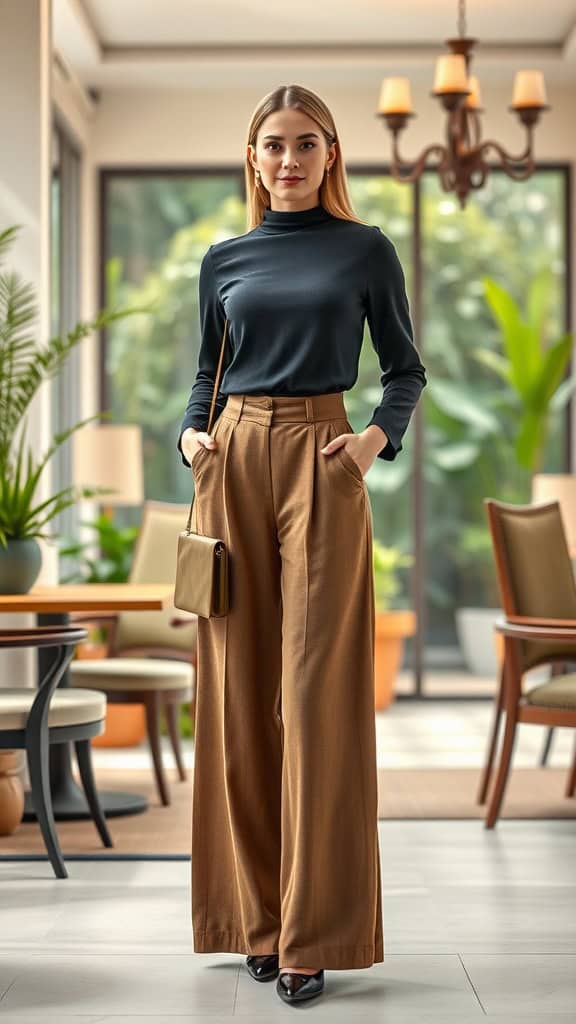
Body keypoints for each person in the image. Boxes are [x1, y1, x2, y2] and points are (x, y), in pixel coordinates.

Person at [177, 83, 427, 1006]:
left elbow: (405, 368)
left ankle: (312, 932)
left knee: (317, 698)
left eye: (306, 144)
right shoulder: (223, 258)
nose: (288, 160)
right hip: (232, 459)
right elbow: (205, 370)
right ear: (253, 157)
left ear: (331, 156)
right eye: (273, 145)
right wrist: (189, 435)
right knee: (239, 696)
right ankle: (257, 922)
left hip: (324, 463)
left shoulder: (366, 250)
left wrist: (370, 441)